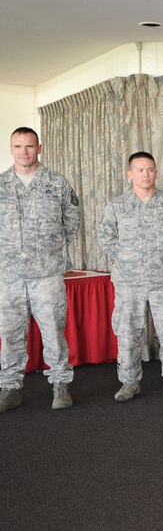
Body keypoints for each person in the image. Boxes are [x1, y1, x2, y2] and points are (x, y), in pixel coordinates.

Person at [97, 152, 163, 402]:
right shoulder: (117, 205)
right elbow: (106, 236)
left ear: (156, 173)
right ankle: (129, 381)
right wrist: (128, 256)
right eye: (140, 170)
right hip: (129, 281)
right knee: (128, 332)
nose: (146, 174)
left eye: (150, 169)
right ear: (130, 174)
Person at [0, 127, 79, 413]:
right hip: (9, 275)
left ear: (39, 148)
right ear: (11, 148)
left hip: (47, 273)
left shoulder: (57, 183)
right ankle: (10, 387)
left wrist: (51, 251)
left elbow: (72, 222)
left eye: (30, 146)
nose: (24, 151)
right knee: (9, 335)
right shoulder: (1, 185)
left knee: (53, 332)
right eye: (18, 146)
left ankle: (60, 385)